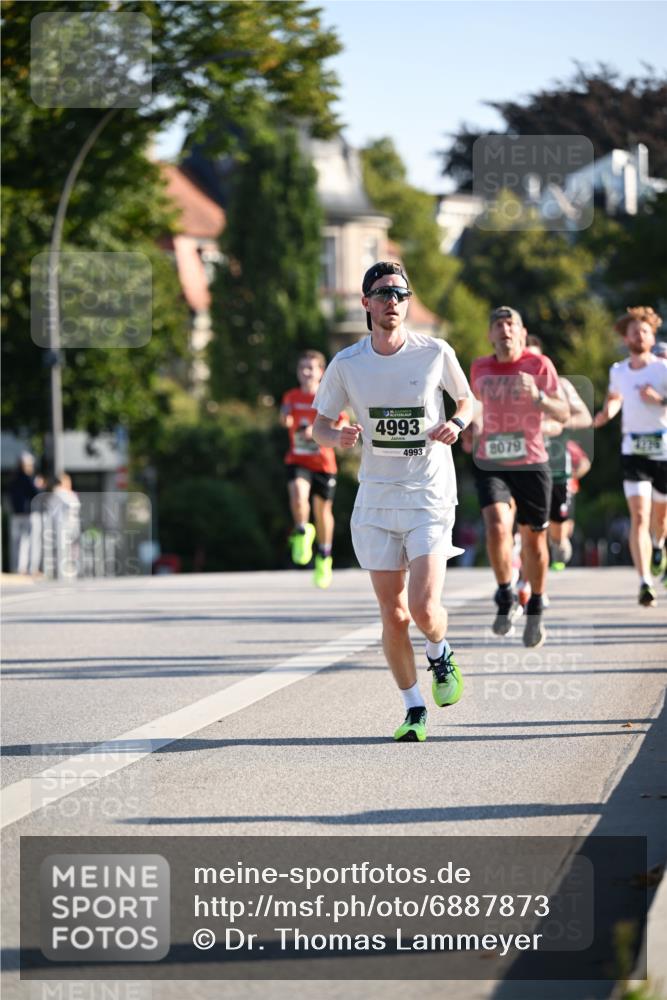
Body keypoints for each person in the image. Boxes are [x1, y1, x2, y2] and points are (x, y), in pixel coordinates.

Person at [312, 261, 473, 743]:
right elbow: (319, 424)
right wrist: (335, 435)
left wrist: (458, 424)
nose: (392, 302)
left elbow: (467, 401)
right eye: (383, 294)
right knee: (394, 615)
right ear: (366, 303)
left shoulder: (433, 352)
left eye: (400, 294)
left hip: (428, 493)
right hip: (378, 499)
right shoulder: (347, 364)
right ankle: (413, 707)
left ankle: (440, 652)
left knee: (424, 608)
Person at [470, 307, 569, 647]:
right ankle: (503, 594)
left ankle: (537, 604)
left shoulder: (539, 365)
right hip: (491, 460)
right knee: (497, 524)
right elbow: (473, 406)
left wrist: (539, 397)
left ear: (522, 332)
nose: (504, 330)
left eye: (510, 324)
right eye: (497, 324)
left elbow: (564, 412)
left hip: (531, 463)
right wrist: (471, 424)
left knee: (533, 542)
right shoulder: (479, 367)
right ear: (490, 334)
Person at [593, 306, 667, 606]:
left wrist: (658, 399)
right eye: (634, 331)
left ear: (652, 336)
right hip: (632, 450)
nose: (639, 335)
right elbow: (615, 398)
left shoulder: (663, 369)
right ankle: (644, 581)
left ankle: (659, 545)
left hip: (662, 450)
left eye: (645, 331)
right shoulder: (618, 371)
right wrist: (606, 414)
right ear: (626, 337)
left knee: (659, 520)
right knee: (639, 516)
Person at [525, 334, 593, 571]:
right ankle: (529, 579)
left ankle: (558, 542)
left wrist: (557, 424)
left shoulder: (561, 386)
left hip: (555, 467)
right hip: (521, 465)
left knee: (557, 532)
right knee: (528, 528)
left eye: (534, 360)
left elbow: (585, 417)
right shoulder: (509, 386)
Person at [280, 350, 346, 589]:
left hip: (324, 464)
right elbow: (284, 416)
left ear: (321, 372)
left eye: (311, 368)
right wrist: (286, 421)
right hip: (298, 460)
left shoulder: (328, 397)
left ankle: (324, 556)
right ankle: (301, 532)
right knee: (298, 495)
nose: (306, 372)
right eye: (302, 368)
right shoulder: (291, 396)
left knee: (322, 512)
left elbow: (342, 421)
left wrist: (333, 431)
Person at [7, 452, 45, 575]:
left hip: (16, 514)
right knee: (31, 541)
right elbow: (37, 493)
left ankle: (19, 568)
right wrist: (40, 485)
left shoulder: (13, 479)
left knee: (18, 543)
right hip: (29, 514)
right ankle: (31, 568)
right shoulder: (29, 478)